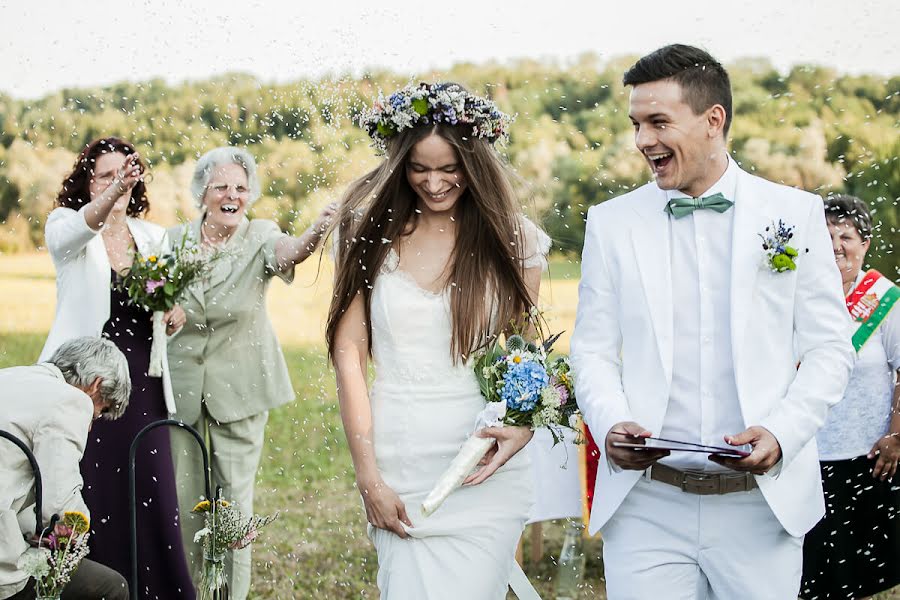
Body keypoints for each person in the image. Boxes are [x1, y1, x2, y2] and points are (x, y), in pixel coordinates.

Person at [570, 44, 855, 599]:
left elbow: (830, 349)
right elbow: (594, 350)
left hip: (760, 505)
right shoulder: (611, 223)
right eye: (635, 124)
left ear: (712, 121)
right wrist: (610, 422)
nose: (642, 141)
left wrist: (783, 431)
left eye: (658, 122)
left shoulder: (793, 216)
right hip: (646, 504)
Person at [327, 82, 550, 599]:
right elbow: (349, 356)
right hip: (400, 457)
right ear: (398, 164)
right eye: (419, 168)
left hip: (483, 465)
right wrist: (369, 478)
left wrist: (523, 429)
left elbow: (527, 359)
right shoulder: (368, 233)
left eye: (450, 168)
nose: (434, 183)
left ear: (475, 163)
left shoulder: (515, 240)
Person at [167, 146, 335, 600]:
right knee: (186, 507)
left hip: (240, 391)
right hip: (182, 393)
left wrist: (316, 231)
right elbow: (153, 297)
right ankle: (191, 593)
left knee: (234, 508)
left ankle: (229, 596)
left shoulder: (258, 235)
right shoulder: (175, 242)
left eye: (241, 187)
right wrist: (164, 311)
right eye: (221, 186)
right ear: (202, 191)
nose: (232, 195)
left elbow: (288, 254)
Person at [39, 137, 195, 598]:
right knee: (91, 488)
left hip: (145, 382)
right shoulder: (66, 225)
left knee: (152, 489)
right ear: (87, 181)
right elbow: (83, 227)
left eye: (124, 175)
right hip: (86, 386)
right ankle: (95, 587)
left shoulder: (152, 236)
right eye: (105, 175)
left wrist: (174, 314)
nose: (117, 183)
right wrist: (111, 196)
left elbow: (160, 302)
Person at [800, 194, 900, 599]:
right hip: (806, 458)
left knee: (864, 575)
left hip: (870, 460)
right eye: (827, 235)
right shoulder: (798, 297)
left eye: (847, 235)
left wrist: (896, 435)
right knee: (812, 575)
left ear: (866, 244)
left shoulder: (886, 299)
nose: (837, 245)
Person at [0, 337, 131, 600]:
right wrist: (82, 530)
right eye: (99, 413)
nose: (91, 425)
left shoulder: (12, 376)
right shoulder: (70, 401)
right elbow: (59, 507)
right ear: (96, 385)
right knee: (112, 587)